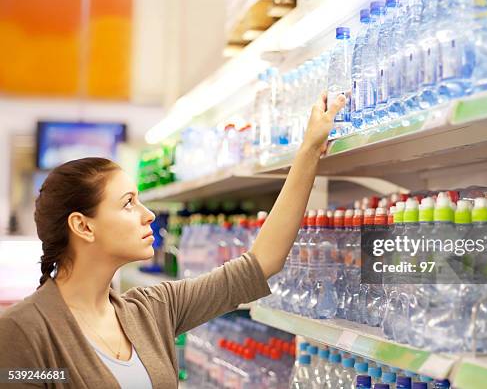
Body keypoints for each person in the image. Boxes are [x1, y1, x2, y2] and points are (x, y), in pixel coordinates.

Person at [0, 93, 346, 388]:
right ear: (83, 226)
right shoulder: (23, 331)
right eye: (128, 203)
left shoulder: (152, 310)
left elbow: (261, 263)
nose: (148, 214)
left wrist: (308, 151)